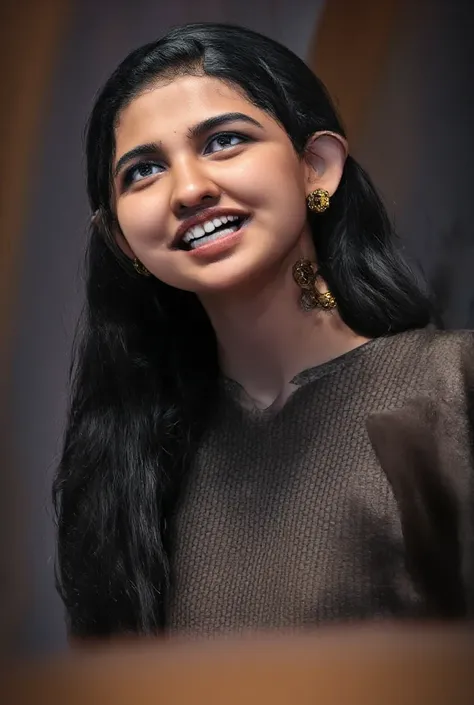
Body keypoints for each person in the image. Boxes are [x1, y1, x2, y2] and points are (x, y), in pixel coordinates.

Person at [53, 22, 474, 639]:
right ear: (122, 241)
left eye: (224, 141)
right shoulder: (130, 469)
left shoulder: (452, 385)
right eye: (143, 171)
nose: (190, 189)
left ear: (316, 169)